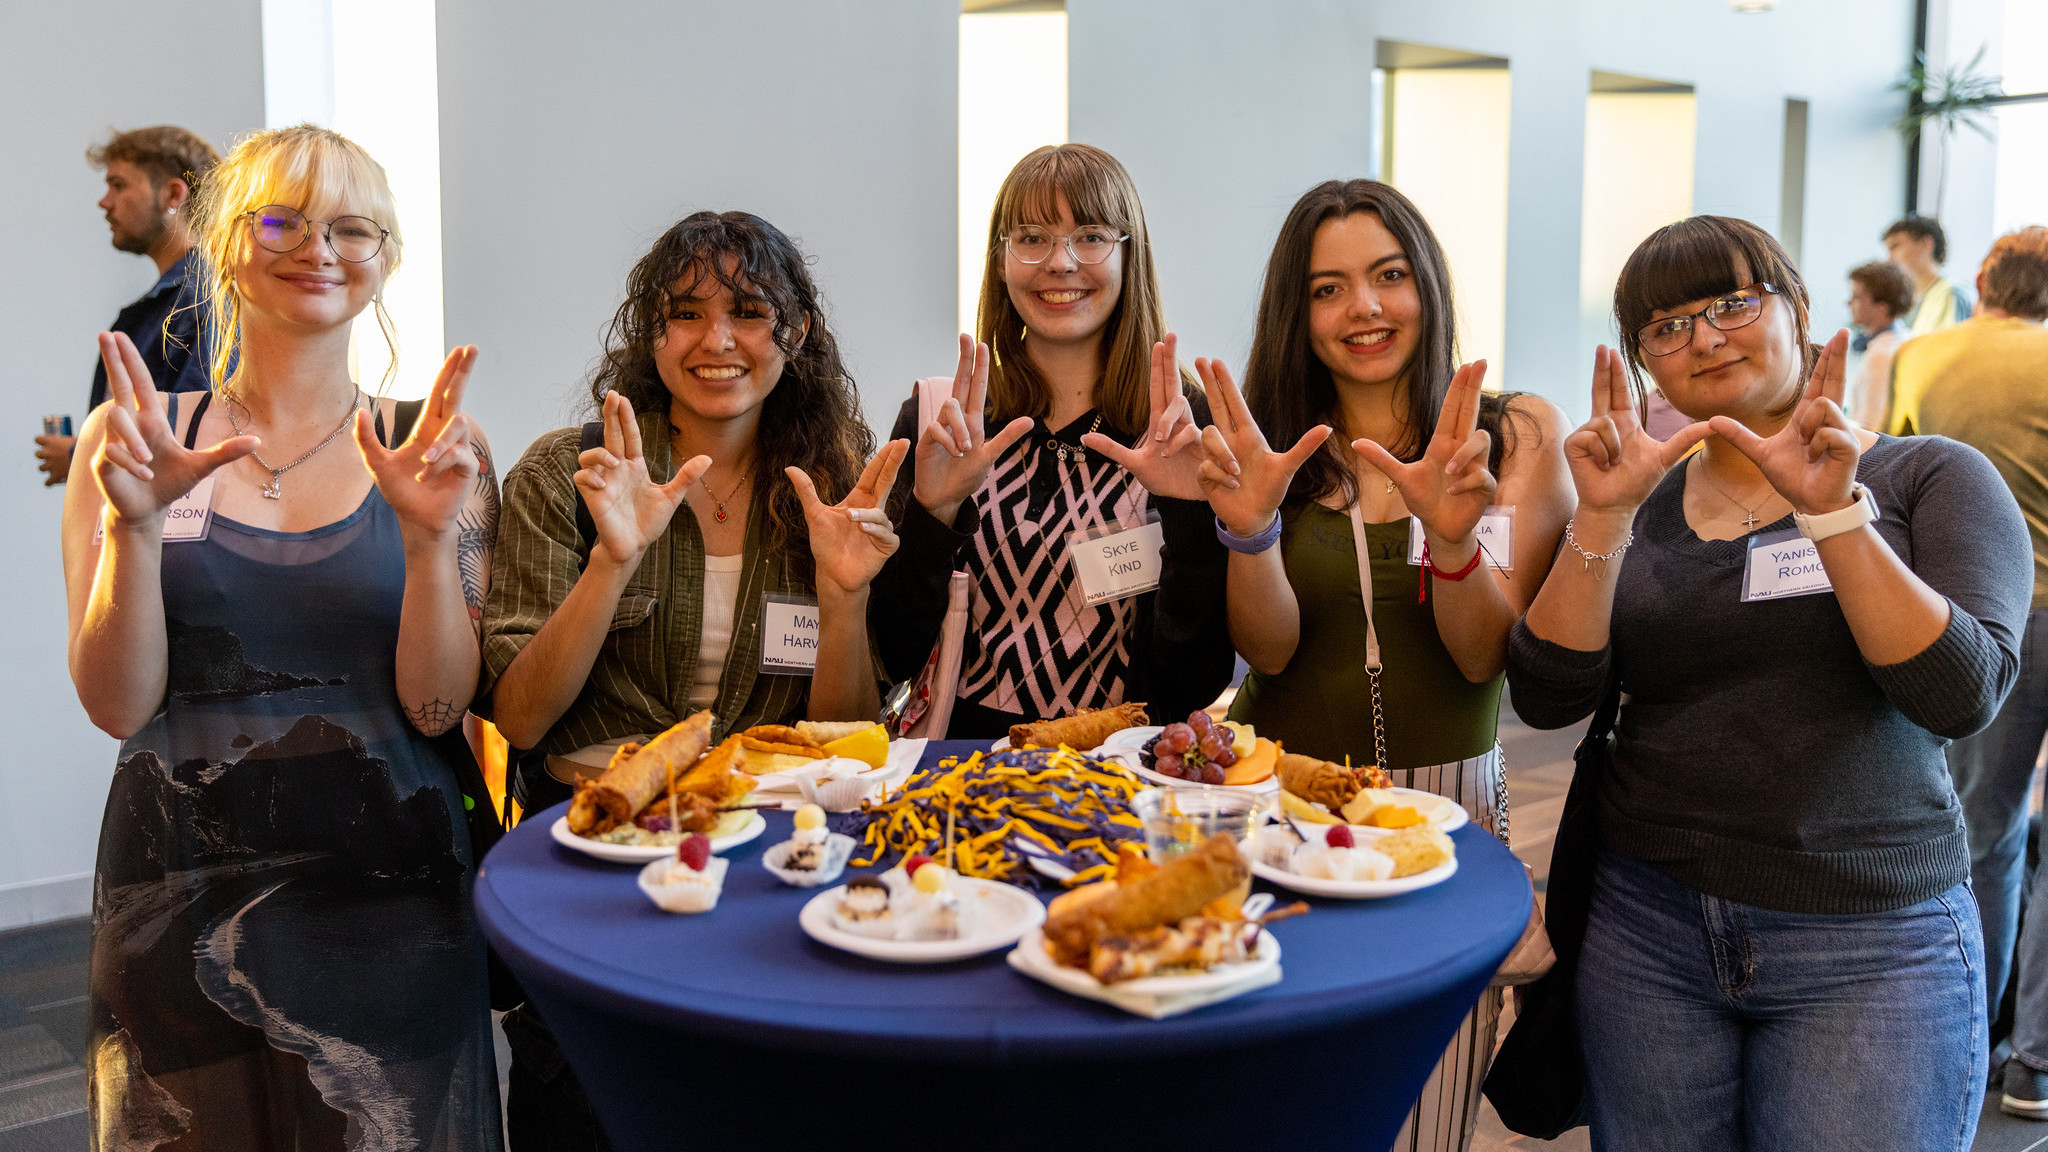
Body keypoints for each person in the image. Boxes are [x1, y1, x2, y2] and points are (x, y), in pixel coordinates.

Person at [1508, 215, 2028, 1150]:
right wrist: (1600, 521)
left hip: (1870, 942)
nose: (1704, 338)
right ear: (1645, 365)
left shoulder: (1927, 479)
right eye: (1665, 327)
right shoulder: (1643, 504)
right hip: (1647, 929)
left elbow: (1961, 697)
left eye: (1732, 304)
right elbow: (1548, 696)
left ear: (1797, 309)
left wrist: (1834, 517)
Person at [61, 125, 503, 1149]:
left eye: (355, 228)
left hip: (390, 894)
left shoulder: (433, 445)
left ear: (386, 259)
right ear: (223, 240)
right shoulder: (131, 436)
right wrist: (133, 528)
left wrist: (432, 542)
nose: (321, 248)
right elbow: (116, 705)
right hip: (176, 888)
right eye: (283, 220)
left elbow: (440, 708)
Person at [478, 209, 907, 1149]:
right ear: (652, 334)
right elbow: (520, 713)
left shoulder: (831, 483)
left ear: (794, 333)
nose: (717, 340)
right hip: (593, 863)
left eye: (750, 310)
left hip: (762, 870)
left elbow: (845, 740)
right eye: (685, 313)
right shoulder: (572, 474)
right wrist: (612, 561)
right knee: (590, 1115)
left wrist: (843, 599)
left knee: (748, 1112)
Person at [1188, 179, 1574, 1151]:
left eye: (1387, 276)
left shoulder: (1513, 431)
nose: (1362, 308)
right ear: (1297, 312)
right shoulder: (1274, 445)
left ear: (1426, 285)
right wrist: (1246, 532)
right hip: (1277, 800)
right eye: (1327, 288)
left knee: (1422, 1102)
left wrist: (1449, 540)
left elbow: (1481, 653)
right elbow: (1269, 650)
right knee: (1278, 1100)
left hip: (1444, 811)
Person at [869, 143, 1232, 739]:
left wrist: (1192, 518)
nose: (1060, 262)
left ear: (1127, 257)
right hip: (960, 770)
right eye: (1032, 237)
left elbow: (1193, 683)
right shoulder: (946, 420)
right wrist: (934, 517)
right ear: (1001, 259)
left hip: (1116, 775)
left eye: (1090, 236)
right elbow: (892, 654)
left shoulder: (1180, 425)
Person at [1896, 226, 2048, 1118]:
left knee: (1982, 832)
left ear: (1984, 278)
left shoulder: (1922, 355)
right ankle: (2036, 1060)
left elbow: (1893, 480)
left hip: (1986, 616)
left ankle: (1975, 1030)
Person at [37, 126, 221, 486]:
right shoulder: (162, 305)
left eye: (118, 185)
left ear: (172, 194)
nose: (104, 202)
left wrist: (80, 455)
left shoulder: (203, 299)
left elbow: (194, 435)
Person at [1842, 259, 1912, 429]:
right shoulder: (1905, 338)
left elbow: (1870, 426)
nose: (1848, 303)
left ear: (1882, 306)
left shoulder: (1881, 354)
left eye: (1857, 297)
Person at [1885, 215, 1973, 338]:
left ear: (1926, 244)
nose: (1889, 258)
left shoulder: (1950, 293)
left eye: (1895, 246)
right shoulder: (1910, 300)